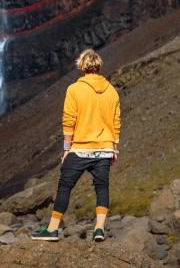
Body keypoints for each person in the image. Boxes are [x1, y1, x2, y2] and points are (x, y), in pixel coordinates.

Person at [31, 48, 121, 242]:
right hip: (104, 148)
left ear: (82, 66)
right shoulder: (112, 91)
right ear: (98, 66)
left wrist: (66, 149)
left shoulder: (74, 89)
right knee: (102, 187)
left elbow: (68, 121)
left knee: (65, 186)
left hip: (80, 148)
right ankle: (99, 229)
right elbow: (116, 122)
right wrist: (114, 148)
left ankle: (53, 229)